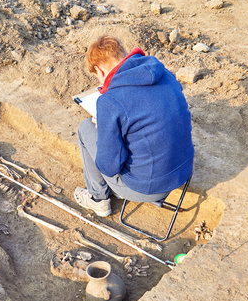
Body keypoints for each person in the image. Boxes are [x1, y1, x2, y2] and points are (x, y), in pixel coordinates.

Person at [74, 35, 194, 217]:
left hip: (149, 186)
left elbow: (109, 166)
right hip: (183, 170)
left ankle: (98, 199)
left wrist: (104, 130)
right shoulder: (164, 74)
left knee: (85, 128)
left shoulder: (110, 102)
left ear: (99, 70)